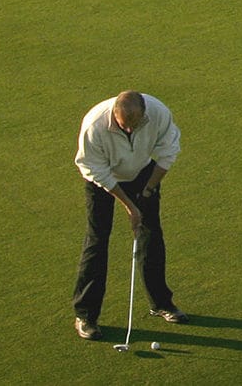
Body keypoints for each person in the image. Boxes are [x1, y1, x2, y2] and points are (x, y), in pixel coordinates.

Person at [71, 91, 188, 340]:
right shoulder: (95, 125)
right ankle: (85, 315)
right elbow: (93, 168)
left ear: (143, 114)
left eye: (134, 125)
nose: (129, 131)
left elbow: (168, 151)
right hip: (102, 179)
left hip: (143, 172)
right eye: (124, 125)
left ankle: (162, 303)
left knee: (151, 233)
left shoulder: (158, 113)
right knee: (97, 239)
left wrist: (147, 190)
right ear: (115, 114)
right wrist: (129, 206)